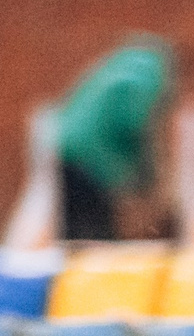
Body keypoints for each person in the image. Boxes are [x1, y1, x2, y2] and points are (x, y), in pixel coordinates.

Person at [56, 36, 174, 241]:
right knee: (93, 228)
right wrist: (145, 180)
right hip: (87, 158)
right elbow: (135, 124)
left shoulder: (128, 63)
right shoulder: (153, 74)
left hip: (64, 145)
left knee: (72, 221)